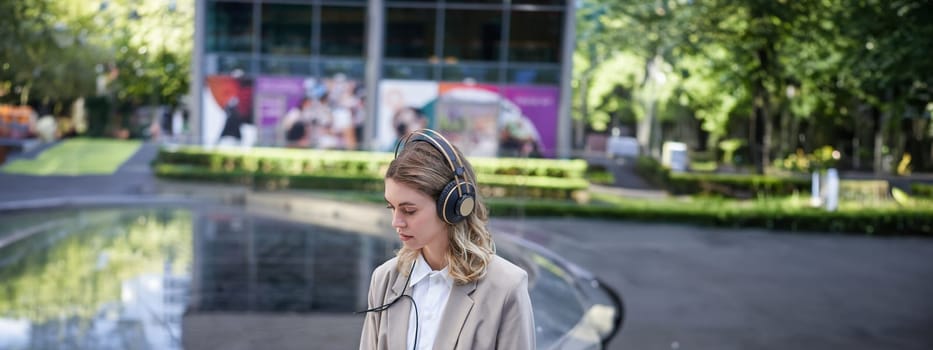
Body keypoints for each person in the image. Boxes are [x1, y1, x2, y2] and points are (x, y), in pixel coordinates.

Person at [359, 129, 536, 350]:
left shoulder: (506, 287)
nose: (396, 222)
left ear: (453, 206)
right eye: (391, 207)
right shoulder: (384, 279)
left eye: (409, 210)